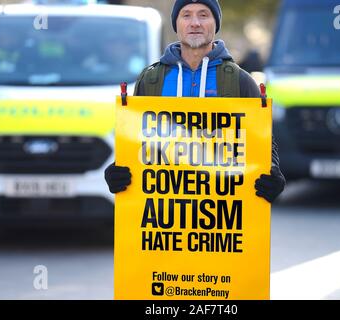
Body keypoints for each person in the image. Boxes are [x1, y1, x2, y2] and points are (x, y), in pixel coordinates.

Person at [105, 0, 286, 203]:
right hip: (165, 212)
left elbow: (263, 141)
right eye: (186, 15)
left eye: (203, 15)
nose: (195, 23)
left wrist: (273, 171)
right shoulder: (151, 80)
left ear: (215, 24)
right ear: (177, 24)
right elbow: (134, 140)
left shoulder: (240, 81)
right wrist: (117, 169)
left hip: (220, 211)